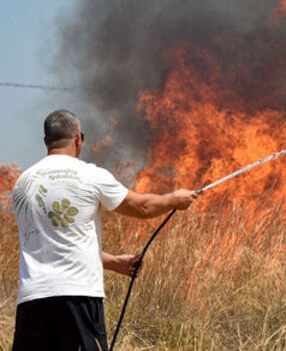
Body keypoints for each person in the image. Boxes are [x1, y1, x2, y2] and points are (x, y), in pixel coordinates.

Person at [10, 109, 198, 350]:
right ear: (78, 138)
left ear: (46, 141)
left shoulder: (23, 183)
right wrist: (175, 199)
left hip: (32, 301)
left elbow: (52, 242)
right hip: (77, 299)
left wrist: (113, 262)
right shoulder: (90, 175)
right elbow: (143, 207)